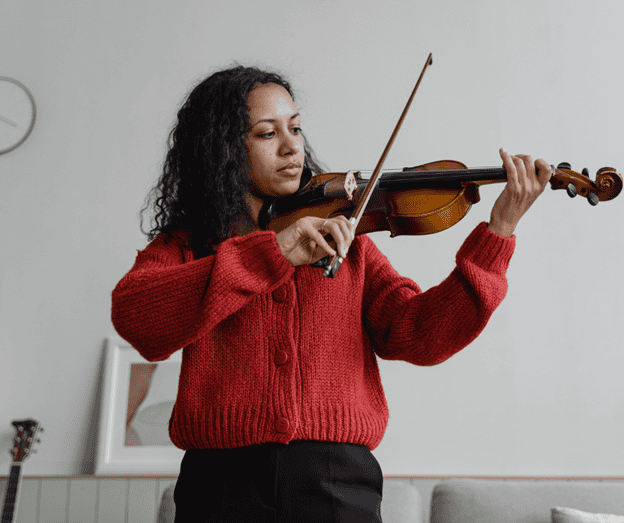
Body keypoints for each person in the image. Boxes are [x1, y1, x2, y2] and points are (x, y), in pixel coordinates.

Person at [111, 65, 551, 522]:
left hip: (337, 485)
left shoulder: (346, 237)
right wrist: (273, 252)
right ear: (221, 149)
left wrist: (498, 233)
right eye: (267, 133)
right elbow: (138, 318)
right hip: (220, 486)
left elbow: (418, 334)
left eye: (296, 128)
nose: (292, 146)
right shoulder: (187, 246)